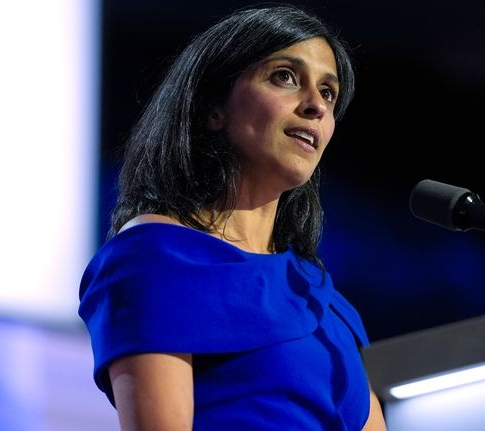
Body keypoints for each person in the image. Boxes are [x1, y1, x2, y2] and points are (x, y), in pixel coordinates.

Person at [78, 4, 388, 430]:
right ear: (213, 108)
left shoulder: (326, 303)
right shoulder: (157, 258)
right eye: (285, 77)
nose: (316, 105)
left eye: (328, 93)